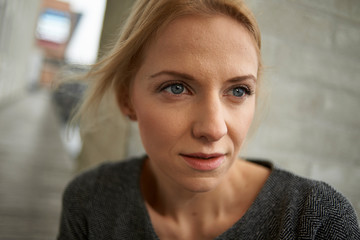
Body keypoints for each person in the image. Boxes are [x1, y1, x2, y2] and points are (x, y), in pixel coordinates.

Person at [57, 0, 360, 239]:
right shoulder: (89, 201)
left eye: (238, 90)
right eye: (176, 88)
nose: (214, 129)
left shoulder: (317, 220)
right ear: (127, 99)